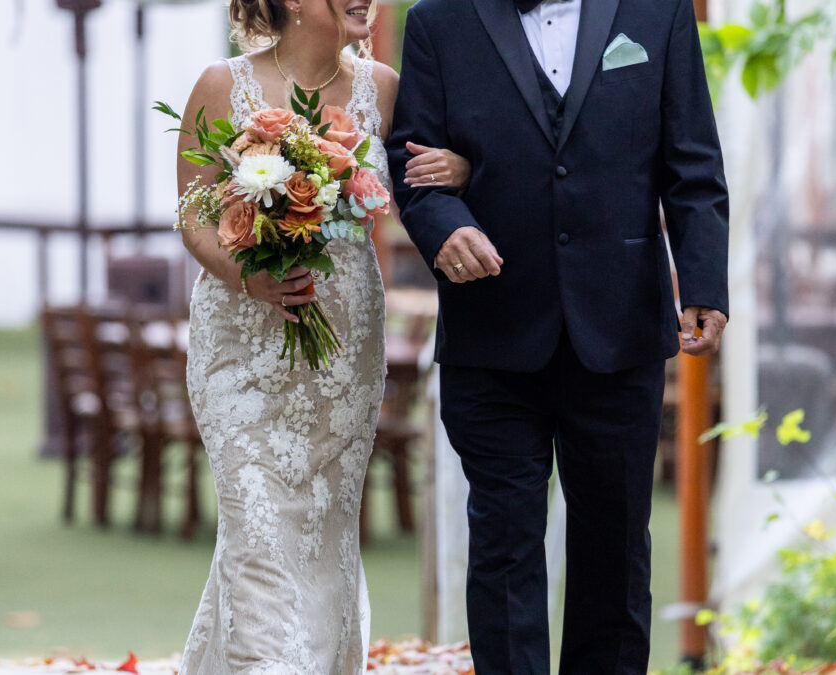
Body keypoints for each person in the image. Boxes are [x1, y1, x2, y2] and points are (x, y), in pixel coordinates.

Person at [386, 0, 729, 672]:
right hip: (492, 332)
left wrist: (704, 283)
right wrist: (445, 226)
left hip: (619, 326)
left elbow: (692, 162)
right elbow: (413, 164)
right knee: (505, 549)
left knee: (615, 549)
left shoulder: (658, 14)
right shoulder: (438, 21)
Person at [174, 2, 470, 672]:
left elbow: (431, 173)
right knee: (255, 527)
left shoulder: (387, 89)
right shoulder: (222, 85)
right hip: (240, 345)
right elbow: (192, 213)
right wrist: (250, 277)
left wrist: (459, 168)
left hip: (342, 344)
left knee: (323, 531)